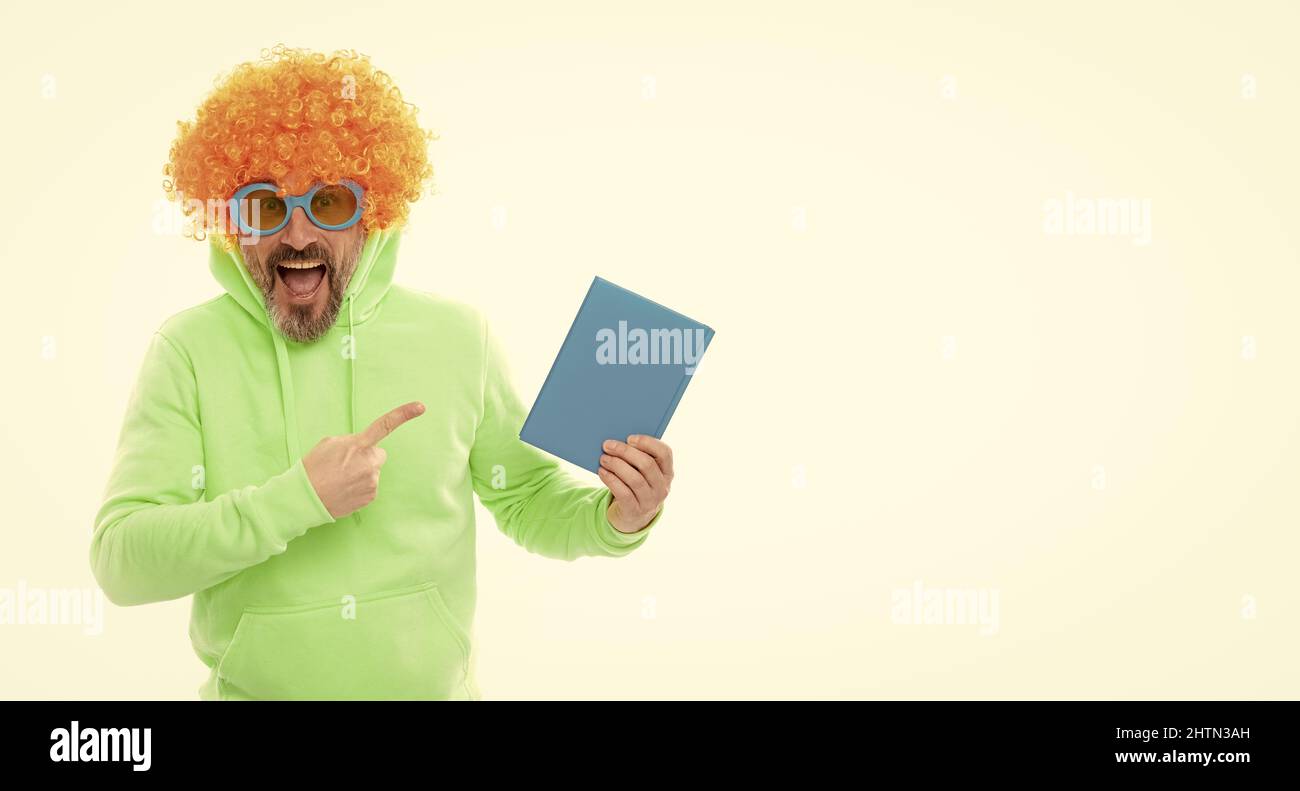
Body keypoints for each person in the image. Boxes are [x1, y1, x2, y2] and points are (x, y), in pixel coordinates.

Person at [91, 45, 673, 700]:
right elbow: (122, 561)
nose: (298, 233)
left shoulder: (457, 336)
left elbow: (524, 497)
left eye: (331, 201)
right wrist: (296, 498)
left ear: (375, 211)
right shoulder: (188, 351)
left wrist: (616, 517)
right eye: (263, 206)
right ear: (229, 222)